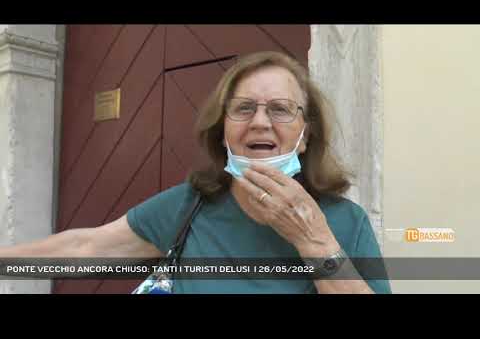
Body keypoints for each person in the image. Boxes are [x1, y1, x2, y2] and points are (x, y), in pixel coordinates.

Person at [0, 51, 391, 294]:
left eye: (280, 109)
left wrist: (314, 241)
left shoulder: (346, 221)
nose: (259, 122)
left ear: (305, 137)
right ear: (223, 131)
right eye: (243, 108)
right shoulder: (190, 205)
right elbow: (84, 248)